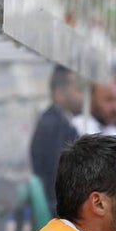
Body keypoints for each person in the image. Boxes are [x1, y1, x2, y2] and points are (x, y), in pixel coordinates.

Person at [30, 65, 82, 216]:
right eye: (76, 88)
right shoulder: (54, 125)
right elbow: (57, 172)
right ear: (59, 92)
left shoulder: (56, 120)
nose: (80, 94)